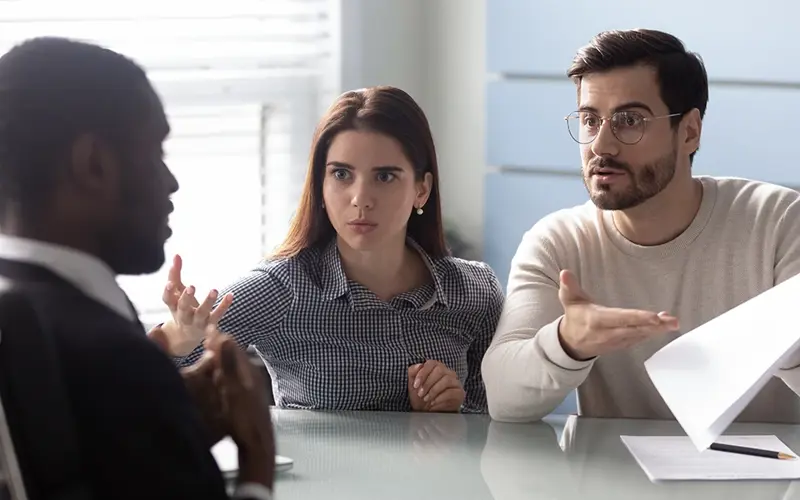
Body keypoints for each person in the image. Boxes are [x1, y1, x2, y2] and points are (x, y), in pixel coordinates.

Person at [0, 37, 275, 500]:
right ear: (94, 165)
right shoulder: (117, 359)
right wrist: (257, 459)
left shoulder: (30, 315)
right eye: (156, 152)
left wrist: (170, 420)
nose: (170, 182)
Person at [481, 28, 800, 422]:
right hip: (613, 481)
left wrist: (785, 341)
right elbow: (502, 398)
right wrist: (568, 342)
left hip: (767, 479)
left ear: (689, 131)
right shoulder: (558, 242)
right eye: (589, 120)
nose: (601, 145)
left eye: (629, 121)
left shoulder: (780, 223)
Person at [156, 86, 505, 413]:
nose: (360, 199)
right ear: (320, 186)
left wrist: (449, 414)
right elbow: (139, 377)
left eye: (384, 177)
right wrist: (180, 340)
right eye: (341, 175)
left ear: (421, 190)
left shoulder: (475, 292)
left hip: (437, 479)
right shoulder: (281, 288)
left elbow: (495, 427)